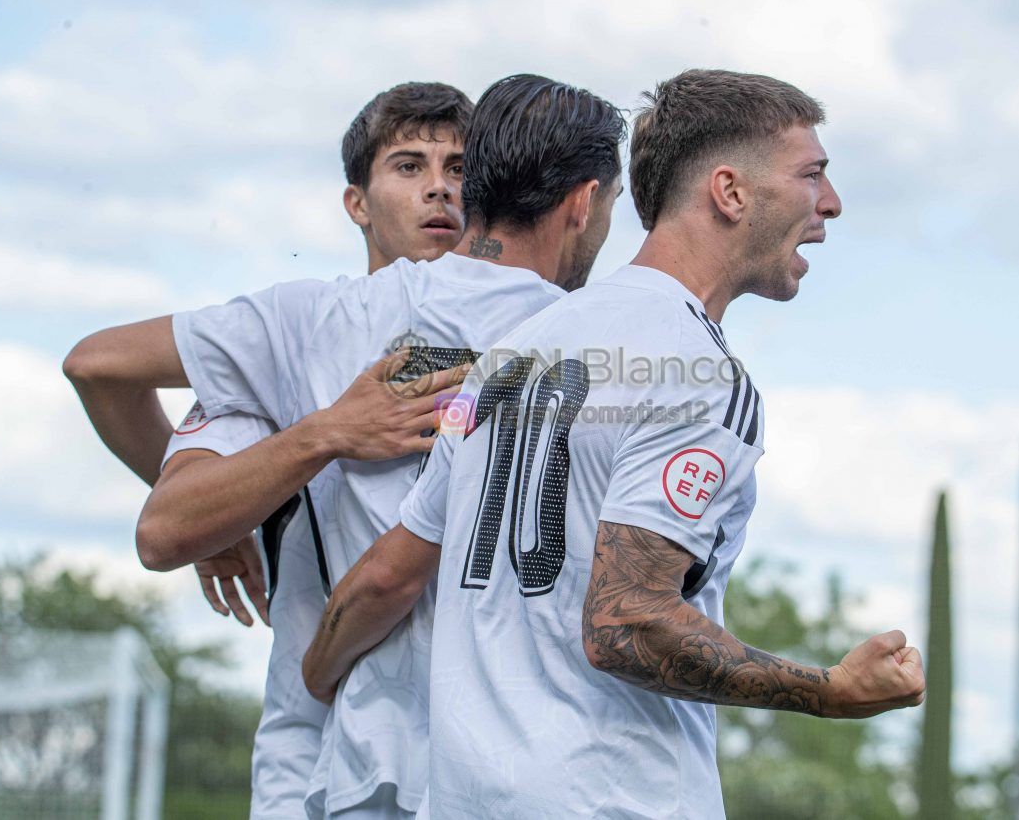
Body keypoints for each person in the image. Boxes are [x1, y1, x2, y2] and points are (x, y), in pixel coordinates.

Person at [303, 69, 927, 818]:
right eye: (812, 174)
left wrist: (314, 679)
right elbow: (626, 622)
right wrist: (828, 690)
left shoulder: (513, 352)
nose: (830, 202)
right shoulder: (698, 371)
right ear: (730, 193)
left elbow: (386, 575)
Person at [67, 73, 626, 819]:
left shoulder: (553, 328)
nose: (439, 188)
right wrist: (319, 439)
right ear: (356, 202)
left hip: (481, 753)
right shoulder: (297, 334)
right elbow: (110, 396)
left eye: (459, 168)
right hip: (328, 756)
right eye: (409, 166)